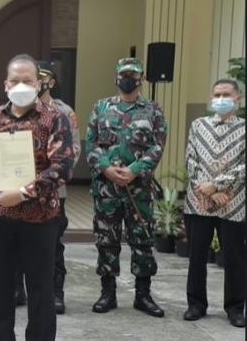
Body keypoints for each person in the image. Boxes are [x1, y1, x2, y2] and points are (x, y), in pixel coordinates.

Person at [0, 54, 74, 341]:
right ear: (6, 84)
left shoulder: (55, 119)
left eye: (28, 80)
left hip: (40, 220)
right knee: (1, 291)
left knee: (41, 292)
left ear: (39, 83)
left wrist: (21, 193)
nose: (21, 85)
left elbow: (63, 168)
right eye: (16, 80)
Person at [85, 57, 167, 318]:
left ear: (141, 79)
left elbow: (157, 146)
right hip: (107, 189)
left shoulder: (153, 110)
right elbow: (91, 143)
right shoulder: (101, 107)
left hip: (139, 189)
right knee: (106, 241)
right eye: (124, 74)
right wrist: (108, 169)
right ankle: (107, 293)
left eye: (133, 74)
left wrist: (134, 170)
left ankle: (143, 295)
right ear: (116, 78)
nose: (128, 78)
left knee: (142, 240)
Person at [13, 61, 81, 314]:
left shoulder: (63, 111)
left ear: (51, 82)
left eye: (43, 78)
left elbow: (72, 150)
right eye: (35, 78)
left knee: (52, 244)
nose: (39, 82)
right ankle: (17, 289)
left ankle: (54, 293)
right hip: (16, 189)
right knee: (15, 240)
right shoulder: (15, 108)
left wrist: (50, 178)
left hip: (53, 190)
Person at [182, 79, 245, 328]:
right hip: (199, 203)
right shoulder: (199, 126)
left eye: (226, 94)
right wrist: (206, 190)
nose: (220, 99)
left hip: (234, 203)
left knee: (235, 258)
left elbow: (243, 166)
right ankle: (196, 304)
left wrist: (217, 186)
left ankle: (236, 307)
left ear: (238, 98)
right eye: (217, 94)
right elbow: (191, 160)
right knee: (196, 256)